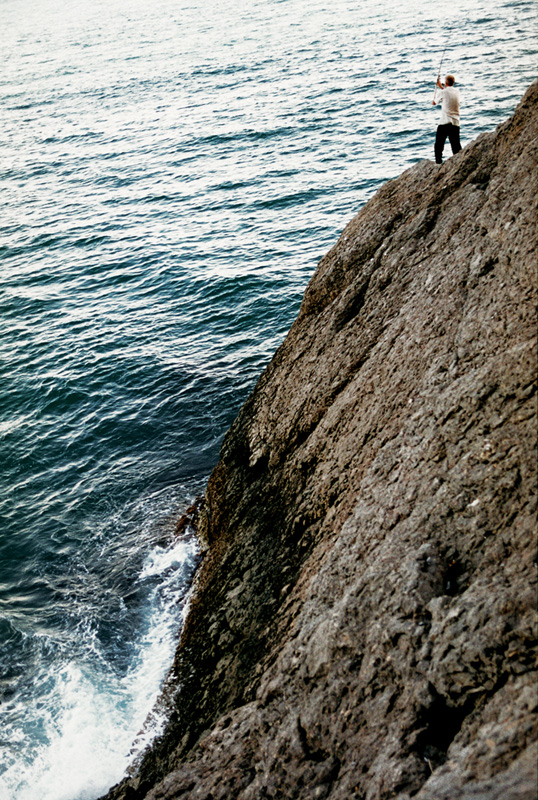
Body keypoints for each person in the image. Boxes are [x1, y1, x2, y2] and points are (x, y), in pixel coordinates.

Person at [432, 74, 462, 164]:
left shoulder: (443, 92)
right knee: (456, 146)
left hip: (445, 123)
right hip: (455, 123)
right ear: (453, 82)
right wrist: (441, 87)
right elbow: (448, 93)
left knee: (439, 145)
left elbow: (434, 102)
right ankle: (460, 162)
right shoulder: (457, 91)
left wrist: (437, 89)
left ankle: (438, 163)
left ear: (445, 83)